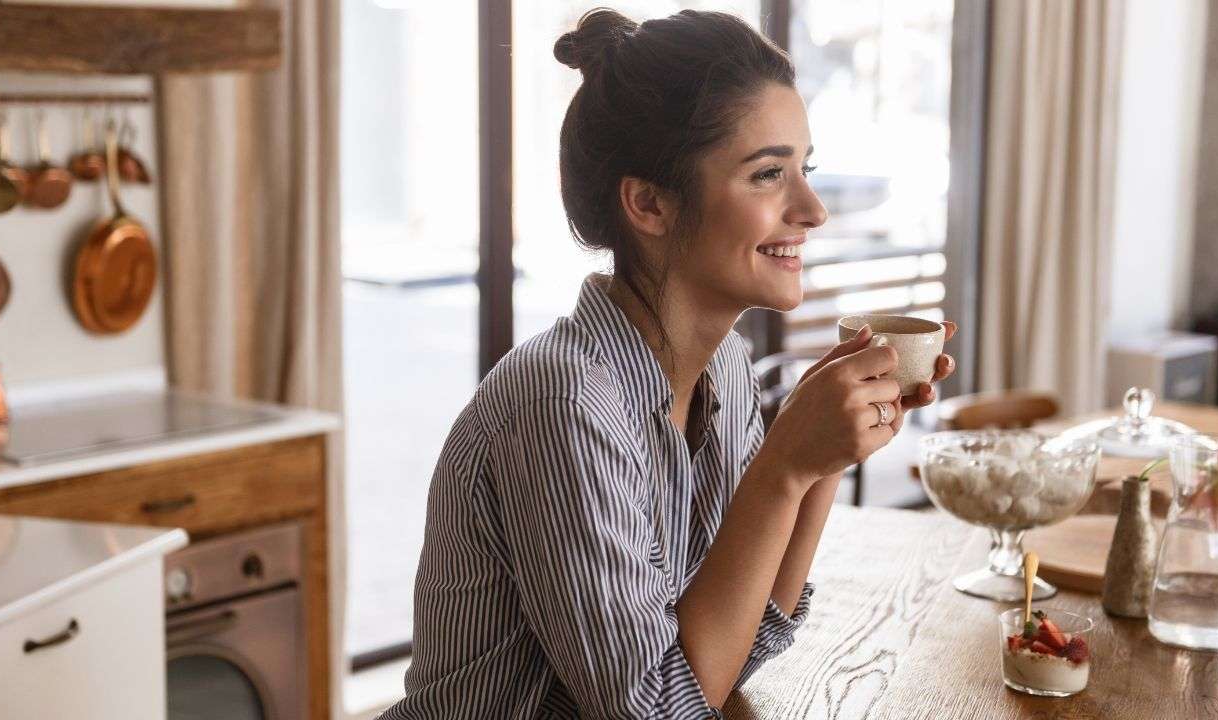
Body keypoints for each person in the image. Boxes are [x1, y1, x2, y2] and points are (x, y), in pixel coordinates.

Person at [381, 8, 956, 719]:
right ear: (649, 202)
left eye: (805, 170)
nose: (812, 209)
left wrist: (823, 456)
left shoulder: (728, 371)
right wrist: (783, 467)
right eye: (769, 174)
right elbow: (657, 709)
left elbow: (732, 653)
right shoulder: (564, 402)